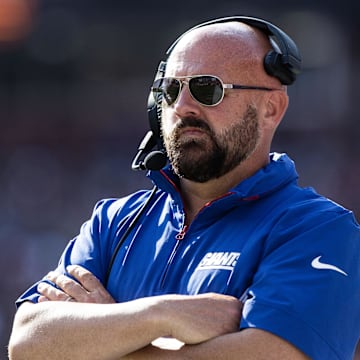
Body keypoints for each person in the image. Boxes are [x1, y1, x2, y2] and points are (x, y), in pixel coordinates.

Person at [8, 15, 360, 360]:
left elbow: (271, 355)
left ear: (271, 107)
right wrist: (162, 314)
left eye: (207, 89)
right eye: (170, 90)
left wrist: (107, 337)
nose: (183, 107)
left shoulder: (319, 230)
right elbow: (27, 342)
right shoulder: (112, 223)